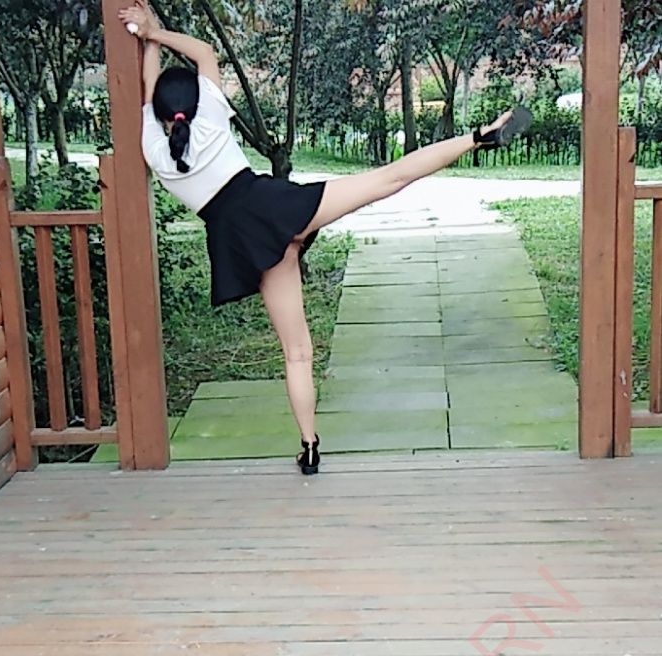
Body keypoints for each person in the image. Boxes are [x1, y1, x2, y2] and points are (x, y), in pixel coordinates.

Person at [118, 0, 532, 476]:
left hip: (242, 242)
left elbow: (148, 97)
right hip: (272, 208)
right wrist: (154, 32)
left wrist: (144, 41)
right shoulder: (209, 115)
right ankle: (478, 137)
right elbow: (205, 52)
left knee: (297, 352)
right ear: (194, 101)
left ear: (162, 114)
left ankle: (310, 445)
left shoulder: (155, 149)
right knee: (389, 178)